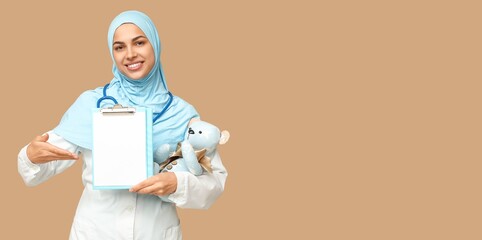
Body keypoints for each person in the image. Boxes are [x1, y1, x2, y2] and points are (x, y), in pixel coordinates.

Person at [17, 10, 227, 240]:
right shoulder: (91, 104)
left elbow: (213, 185)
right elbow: (39, 169)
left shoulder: (182, 114)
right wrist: (31, 156)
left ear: (154, 44)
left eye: (139, 43)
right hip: (95, 232)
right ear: (111, 52)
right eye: (119, 47)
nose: (130, 54)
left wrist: (177, 183)